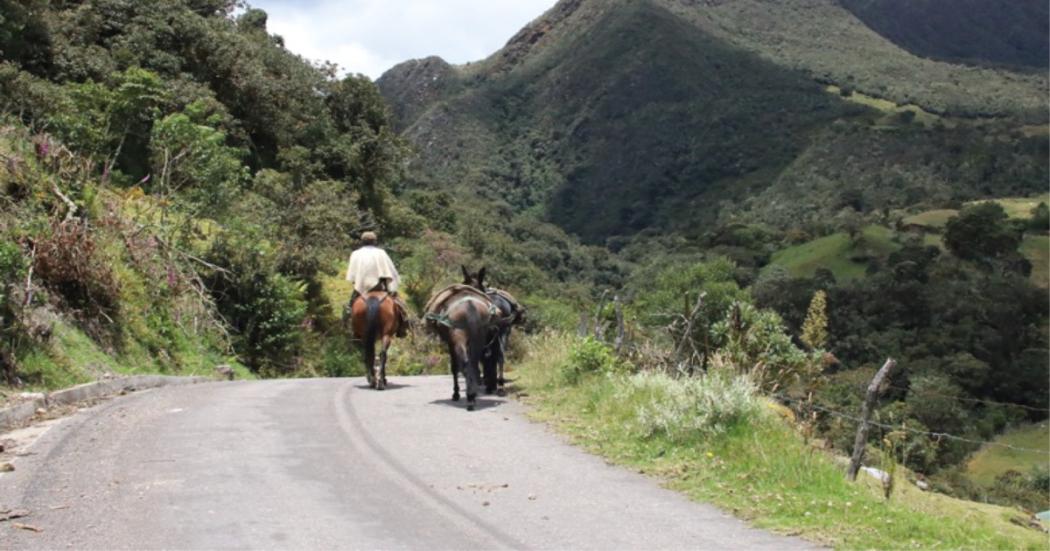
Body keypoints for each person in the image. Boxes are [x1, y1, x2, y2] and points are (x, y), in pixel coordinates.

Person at [346, 231, 408, 337]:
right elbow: (388, 271)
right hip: (379, 287)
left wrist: (359, 282)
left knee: (349, 308)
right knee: (401, 307)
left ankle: (350, 328)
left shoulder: (355, 253)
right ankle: (402, 328)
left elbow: (353, 275)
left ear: (362, 241)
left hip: (361, 288)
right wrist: (390, 287)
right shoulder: (381, 253)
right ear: (374, 241)